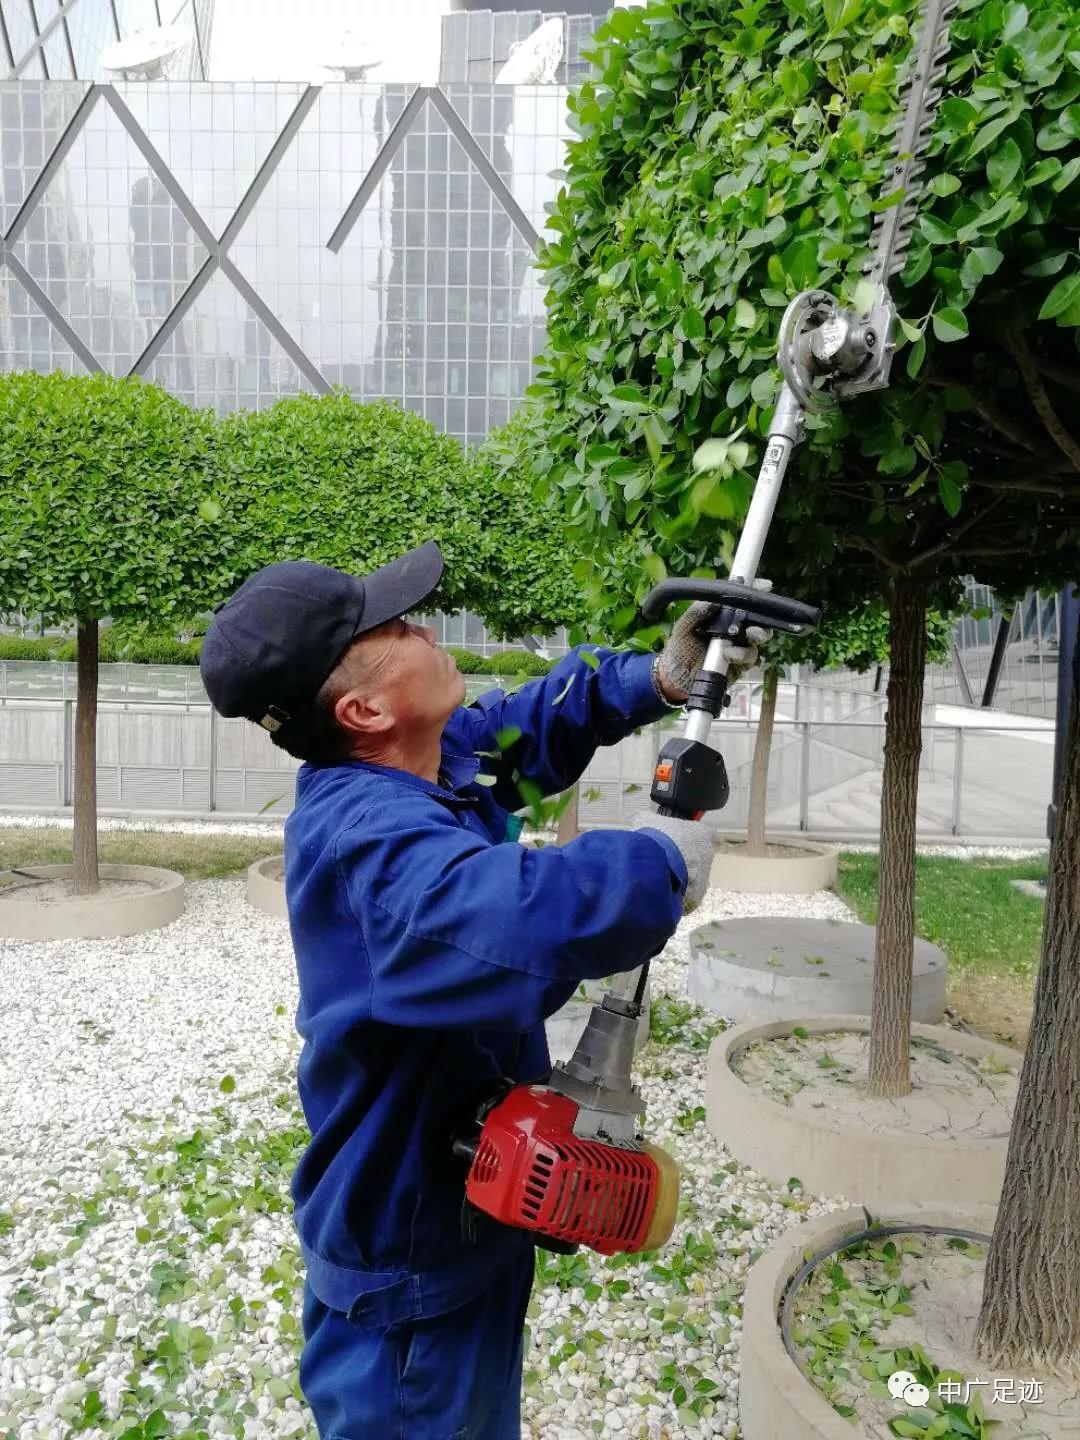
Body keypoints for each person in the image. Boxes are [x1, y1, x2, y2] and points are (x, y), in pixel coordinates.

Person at [199, 541, 763, 1440]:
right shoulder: (366, 843)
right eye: (394, 628)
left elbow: (521, 732)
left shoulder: (428, 759)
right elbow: (516, 922)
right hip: (407, 1286)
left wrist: (659, 678)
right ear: (363, 709)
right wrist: (655, 866)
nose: (424, 628)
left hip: (469, 1226)